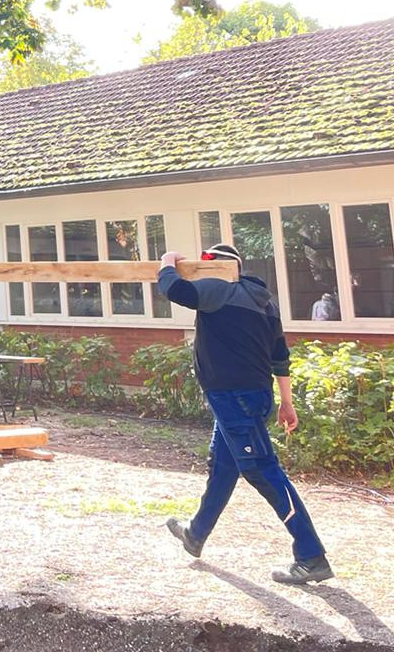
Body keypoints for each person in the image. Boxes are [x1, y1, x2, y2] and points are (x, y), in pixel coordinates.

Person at [158, 244, 333, 585]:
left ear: (223, 267)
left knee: (262, 470)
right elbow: (280, 356)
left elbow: (174, 289)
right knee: (223, 466)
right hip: (252, 396)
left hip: (232, 398)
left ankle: (311, 556)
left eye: (207, 264)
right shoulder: (265, 302)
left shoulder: (219, 287)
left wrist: (167, 262)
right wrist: (287, 401)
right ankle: (196, 533)